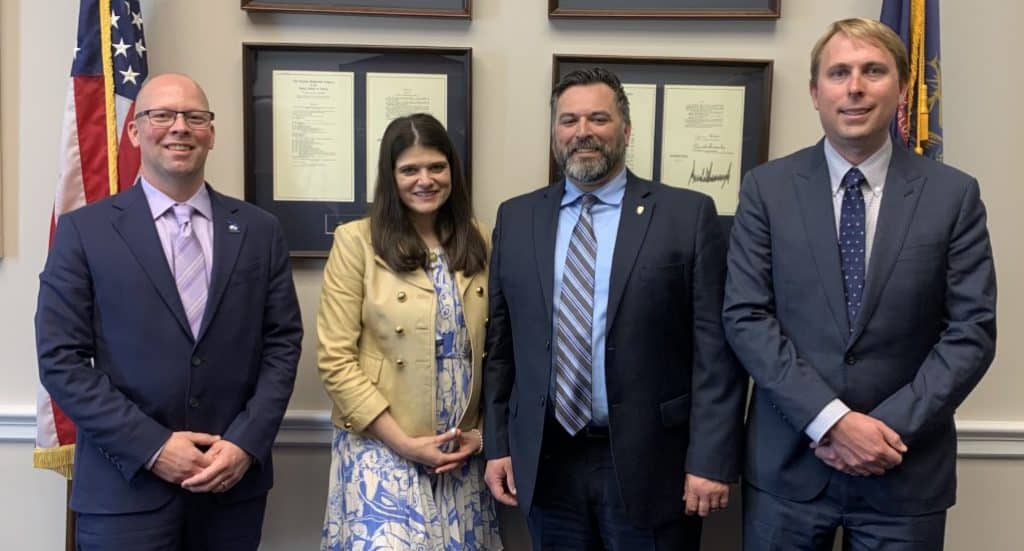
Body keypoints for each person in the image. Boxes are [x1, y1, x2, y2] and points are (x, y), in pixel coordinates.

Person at [723, 18, 997, 550]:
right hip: (789, 470)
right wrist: (831, 422)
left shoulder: (953, 195)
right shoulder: (766, 190)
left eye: (873, 71)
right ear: (815, 92)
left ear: (899, 88)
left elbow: (972, 331)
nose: (854, 87)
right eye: (839, 72)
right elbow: (746, 317)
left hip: (904, 468)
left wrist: (881, 432)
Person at [35, 73, 303, 550]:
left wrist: (245, 442)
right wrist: (153, 447)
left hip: (231, 489)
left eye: (194, 117)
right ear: (135, 132)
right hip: (125, 491)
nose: (180, 127)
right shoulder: (84, 232)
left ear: (211, 133)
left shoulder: (260, 231)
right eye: (163, 115)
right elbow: (61, 360)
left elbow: (283, 345)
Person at [483, 67, 746, 550]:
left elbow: (716, 351)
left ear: (625, 130)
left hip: (653, 465)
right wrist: (498, 445)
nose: (582, 132)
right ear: (554, 133)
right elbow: (501, 348)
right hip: (547, 462)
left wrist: (710, 459)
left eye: (598, 118)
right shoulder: (516, 218)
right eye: (568, 120)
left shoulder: (686, 215)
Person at [317, 113, 501, 550]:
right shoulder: (355, 242)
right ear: (391, 176)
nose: (425, 180)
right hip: (381, 447)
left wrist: (483, 436)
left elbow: (503, 349)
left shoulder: (482, 240)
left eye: (436, 167)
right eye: (410, 170)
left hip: (459, 454)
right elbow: (334, 358)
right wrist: (404, 443)